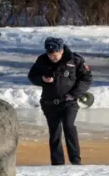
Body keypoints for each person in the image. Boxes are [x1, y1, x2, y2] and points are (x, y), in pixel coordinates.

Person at [28, 37, 92, 165]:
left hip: (70, 101)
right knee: (55, 131)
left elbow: (86, 79)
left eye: (55, 54)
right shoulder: (42, 60)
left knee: (69, 126)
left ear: (61, 50)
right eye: (50, 54)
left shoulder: (75, 60)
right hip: (50, 102)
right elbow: (32, 76)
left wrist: (73, 94)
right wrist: (42, 79)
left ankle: (75, 160)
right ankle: (57, 163)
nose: (52, 57)